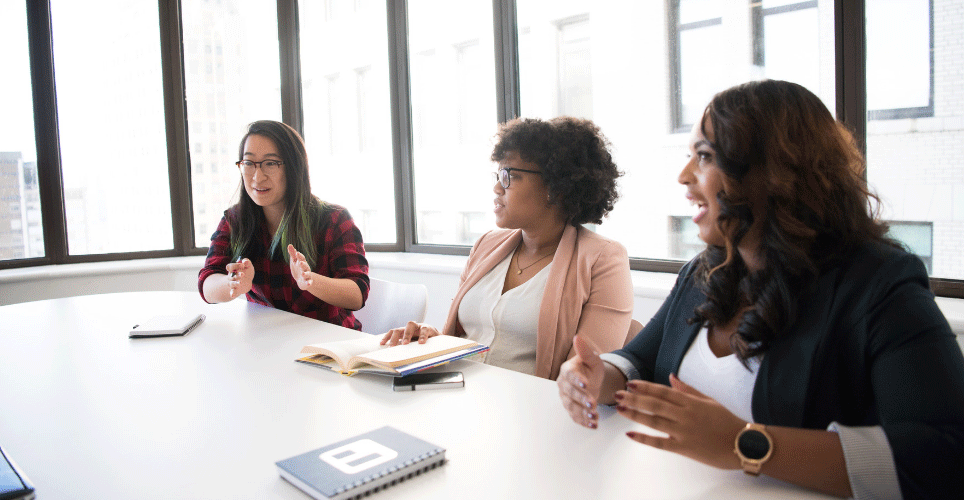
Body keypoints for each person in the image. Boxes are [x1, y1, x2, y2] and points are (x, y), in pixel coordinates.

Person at [556, 80, 964, 499]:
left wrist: (744, 445)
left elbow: (945, 455)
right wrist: (597, 375)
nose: (684, 176)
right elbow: (638, 361)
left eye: (704, 156)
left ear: (776, 172)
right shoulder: (706, 270)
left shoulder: (881, 284)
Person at [381, 117, 633, 380]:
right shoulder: (486, 245)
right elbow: (466, 337)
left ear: (556, 188)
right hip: (453, 395)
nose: (497, 188)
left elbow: (585, 378)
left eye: (509, 176)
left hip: (529, 411)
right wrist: (431, 339)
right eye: (498, 175)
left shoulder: (603, 259)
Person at [198, 120, 369, 329]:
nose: (257, 177)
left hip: (328, 347)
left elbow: (357, 294)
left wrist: (310, 281)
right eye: (249, 163)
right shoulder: (235, 221)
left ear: (294, 167)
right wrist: (232, 284)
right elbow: (208, 283)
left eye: (270, 163)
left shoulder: (334, 220)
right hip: (267, 344)